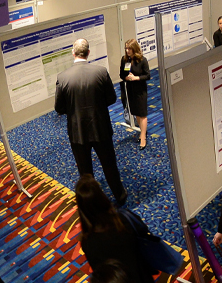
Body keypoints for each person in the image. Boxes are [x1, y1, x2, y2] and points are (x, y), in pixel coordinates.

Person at [55, 38, 127, 206]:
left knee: (85, 171)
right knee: (109, 165)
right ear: (88, 53)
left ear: (73, 53)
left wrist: (74, 111)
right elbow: (111, 98)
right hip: (101, 128)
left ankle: (92, 203)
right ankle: (120, 195)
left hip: (77, 132)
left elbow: (59, 108)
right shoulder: (101, 72)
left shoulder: (63, 77)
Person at [76, 175, 155, 283]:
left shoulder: (87, 242)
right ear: (102, 197)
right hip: (141, 277)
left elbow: (99, 272)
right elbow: (144, 232)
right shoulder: (124, 220)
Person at [120, 39, 151, 150]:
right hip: (130, 89)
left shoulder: (142, 60)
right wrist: (126, 77)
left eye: (129, 48)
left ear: (134, 49)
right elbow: (121, 74)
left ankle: (143, 137)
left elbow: (147, 76)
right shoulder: (125, 60)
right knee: (136, 112)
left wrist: (136, 78)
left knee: (142, 113)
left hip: (140, 90)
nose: (127, 51)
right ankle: (142, 132)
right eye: (126, 48)